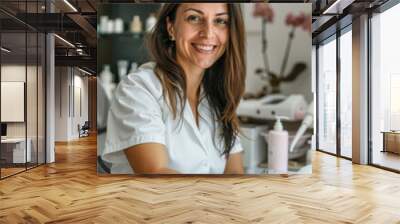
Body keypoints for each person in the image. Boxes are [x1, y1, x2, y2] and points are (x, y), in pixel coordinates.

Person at [102, 3, 246, 174]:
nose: (208, 33)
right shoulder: (138, 89)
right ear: (171, 27)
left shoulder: (219, 95)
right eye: (194, 18)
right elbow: (158, 174)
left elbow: (235, 175)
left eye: (221, 21)